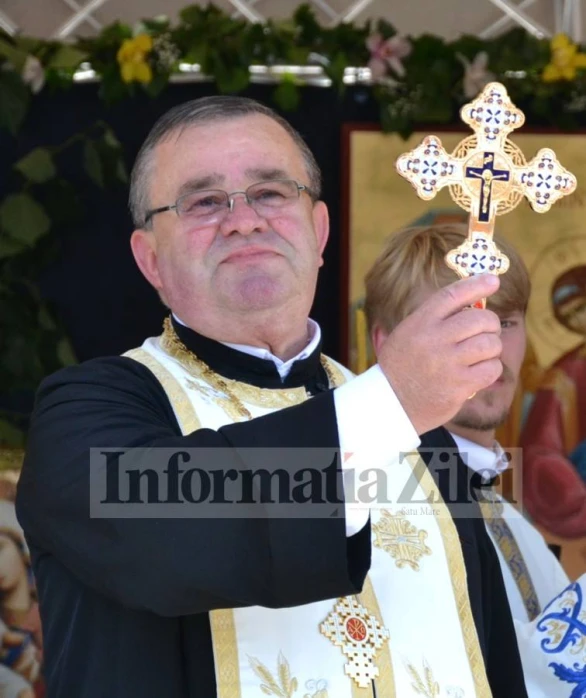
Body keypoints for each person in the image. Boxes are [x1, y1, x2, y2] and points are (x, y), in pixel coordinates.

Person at [15, 96, 527, 698]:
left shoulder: (422, 435)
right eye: (204, 202)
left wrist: (399, 405)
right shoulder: (87, 413)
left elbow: (490, 658)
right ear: (150, 258)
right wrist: (394, 400)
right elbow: (167, 537)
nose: (244, 220)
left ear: (319, 232)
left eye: (271, 193)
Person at [364, 223, 582, 697]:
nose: (490, 348)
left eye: (504, 322)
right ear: (386, 344)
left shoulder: (508, 515)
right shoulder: (368, 509)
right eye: (459, 322)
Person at [520, 265, 586, 538]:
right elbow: (541, 443)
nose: (580, 318)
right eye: (570, 314)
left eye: (582, 307)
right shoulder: (565, 373)